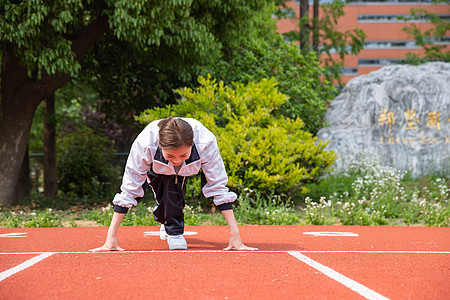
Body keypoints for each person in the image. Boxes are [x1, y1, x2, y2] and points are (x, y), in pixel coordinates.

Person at [90, 116, 257, 251]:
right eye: (170, 156)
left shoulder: (206, 143)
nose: (176, 161)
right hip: (157, 169)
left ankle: (174, 230)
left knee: (174, 191)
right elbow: (130, 187)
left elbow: (218, 186)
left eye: (183, 155)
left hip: (186, 171)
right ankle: (167, 222)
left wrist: (235, 235)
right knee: (165, 193)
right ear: (160, 146)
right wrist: (110, 237)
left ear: (192, 145)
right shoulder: (145, 144)